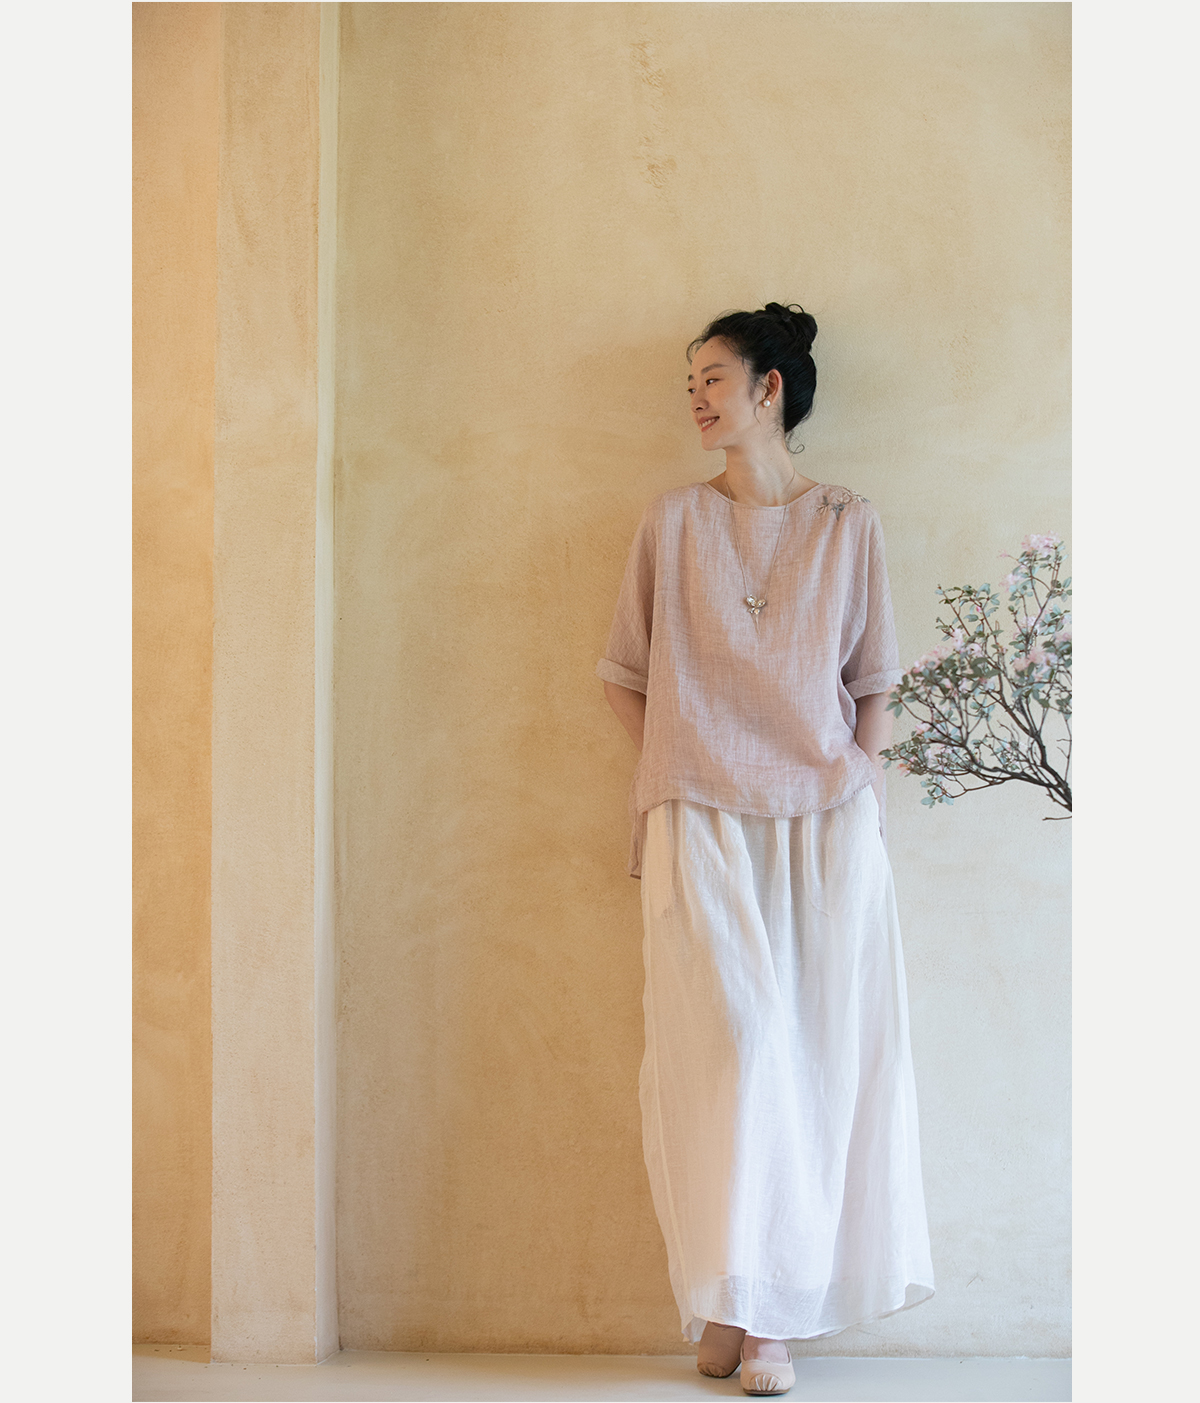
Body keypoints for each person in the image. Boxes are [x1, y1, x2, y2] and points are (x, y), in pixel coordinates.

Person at [596, 304, 935, 1396]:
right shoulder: (673, 523)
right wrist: (683, 760)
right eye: (690, 382)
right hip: (699, 817)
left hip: (827, 823)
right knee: (732, 1052)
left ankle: (755, 1316)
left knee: (818, 1060)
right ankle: (743, 1301)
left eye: (713, 377)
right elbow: (623, 673)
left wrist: (859, 783)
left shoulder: (848, 522)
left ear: (769, 387)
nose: (696, 397)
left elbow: (875, 678)